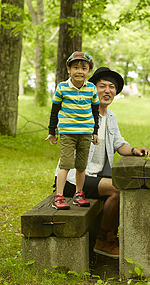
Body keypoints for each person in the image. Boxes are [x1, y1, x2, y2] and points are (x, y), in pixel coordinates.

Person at [53, 66, 150, 259]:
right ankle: (104, 241)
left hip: (96, 176)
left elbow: (118, 143)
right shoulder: (82, 114)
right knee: (117, 188)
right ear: (92, 89)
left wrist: (133, 150)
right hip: (72, 180)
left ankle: (110, 236)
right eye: (102, 86)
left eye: (112, 87)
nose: (107, 91)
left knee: (131, 184)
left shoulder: (111, 116)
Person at [45, 51, 99, 210]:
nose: (79, 71)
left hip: (86, 133)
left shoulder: (92, 89)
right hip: (67, 132)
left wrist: (95, 131)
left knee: (81, 166)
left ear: (89, 72)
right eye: (75, 67)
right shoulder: (62, 87)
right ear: (69, 70)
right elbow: (54, 110)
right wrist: (52, 131)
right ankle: (59, 196)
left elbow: (95, 112)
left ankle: (79, 194)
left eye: (84, 68)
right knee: (66, 164)